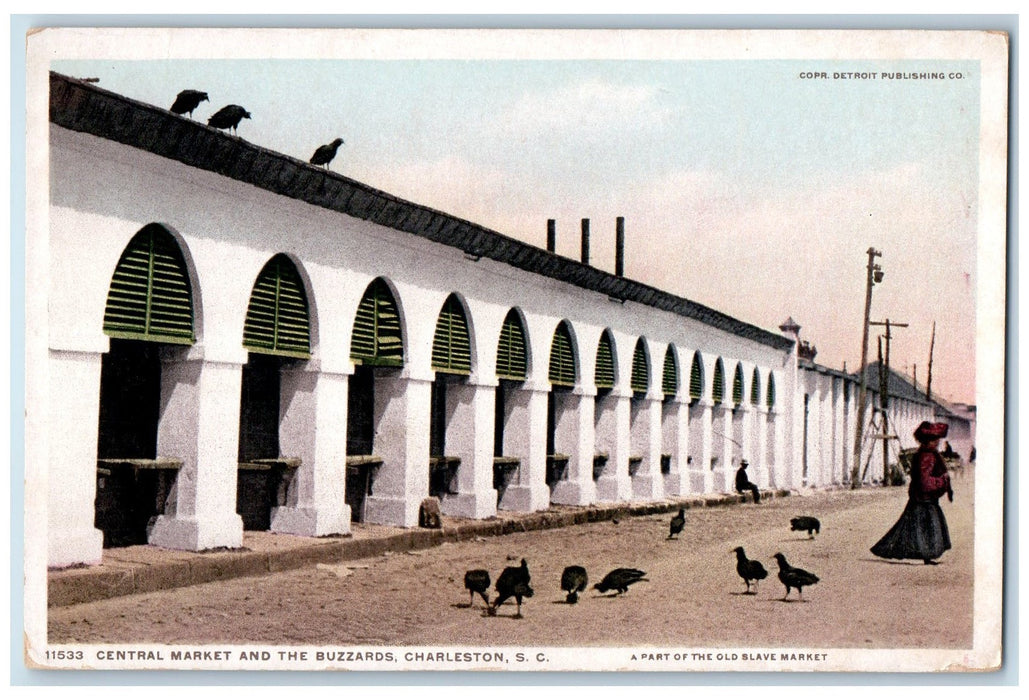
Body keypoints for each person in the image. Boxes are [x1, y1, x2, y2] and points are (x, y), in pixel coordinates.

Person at [871, 421, 953, 565]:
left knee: (918, 527)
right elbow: (925, 481)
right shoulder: (926, 456)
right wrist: (942, 481)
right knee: (924, 527)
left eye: (937, 440)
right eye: (934, 440)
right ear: (927, 441)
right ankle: (925, 555)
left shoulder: (927, 454)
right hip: (923, 499)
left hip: (923, 498)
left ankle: (926, 556)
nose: (937, 443)